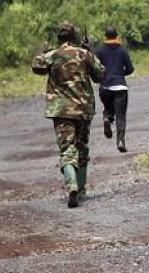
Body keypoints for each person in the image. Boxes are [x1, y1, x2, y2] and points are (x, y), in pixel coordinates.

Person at [31, 22, 105, 208]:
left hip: (61, 110)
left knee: (67, 149)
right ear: (74, 36)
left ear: (59, 37)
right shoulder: (84, 54)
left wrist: (43, 51)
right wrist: (91, 51)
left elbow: (36, 66)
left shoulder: (53, 55)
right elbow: (100, 75)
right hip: (83, 109)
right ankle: (80, 190)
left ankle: (71, 184)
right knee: (82, 148)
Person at [94, 26, 134, 152]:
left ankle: (107, 118)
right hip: (120, 86)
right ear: (116, 35)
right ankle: (121, 141)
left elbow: (95, 68)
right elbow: (130, 68)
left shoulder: (99, 51)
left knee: (108, 107)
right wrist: (122, 73)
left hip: (105, 87)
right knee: (121, 116)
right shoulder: (122, 50)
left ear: (105, 35)